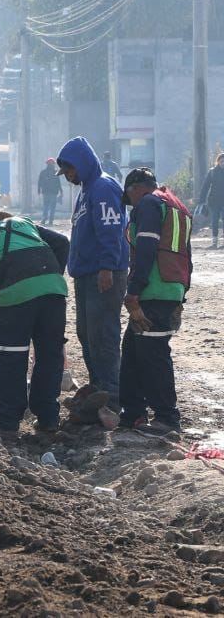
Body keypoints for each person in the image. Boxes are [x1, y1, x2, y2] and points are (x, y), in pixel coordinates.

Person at [0, 211, 70, 439]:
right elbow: (62, 242)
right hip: (54, 291)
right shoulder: (22, 222)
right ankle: (48, 418)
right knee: (50, 355)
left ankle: (8, 422)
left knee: (12, 356)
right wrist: (50, 276)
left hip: (17, 298)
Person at [56, 136, 130, 430]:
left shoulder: (103, 188)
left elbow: (110, 230)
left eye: (71, 170)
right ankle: (98, 387)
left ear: (82, 164)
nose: (69, 176)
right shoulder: (86, 192)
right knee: (87, 333)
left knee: (104, 335)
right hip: (87, 273)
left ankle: (112, 395)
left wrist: (107, 267)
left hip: (103, 273)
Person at [119, 168, 192, 434]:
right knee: (133, 351)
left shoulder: (149, 203)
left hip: (153, 289)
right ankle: (133, 413)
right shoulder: (178, 207)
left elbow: (147, 247)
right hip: (170, 289)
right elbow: (187, 253)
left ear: (136, 188)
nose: (131, 205)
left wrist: (134, 290)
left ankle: (167, 418)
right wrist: (182, 292)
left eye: (130, 198)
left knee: (153, 355)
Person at [197, 153, 224, 248]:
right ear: (218, 162)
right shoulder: (212, 172)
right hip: (214, 202)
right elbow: (205, 186)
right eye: (221, 161)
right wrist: (201, 200)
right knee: (214, 221)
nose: (223, 163)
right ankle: (214, 243)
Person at [38, 158, 63, 225]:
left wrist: (39, 190)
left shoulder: (43, 172)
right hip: (53, 192)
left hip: (46, 192)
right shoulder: (55, 172)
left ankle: (44, 219)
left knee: (46, 206)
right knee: (52, 207)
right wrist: (61, 191)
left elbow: (39, 182)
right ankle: (50, 220)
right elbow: (58, 183)